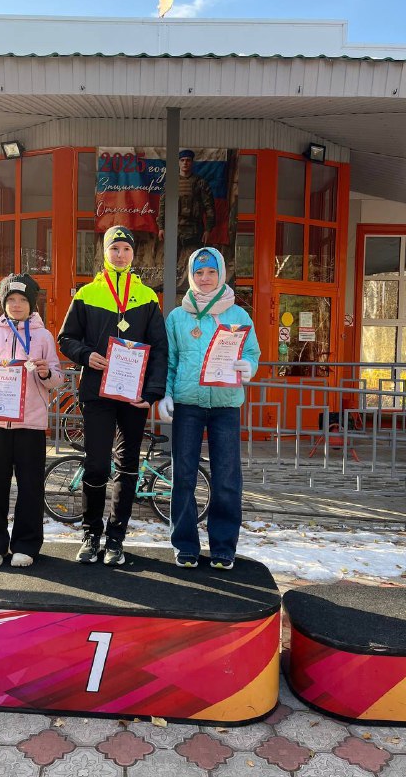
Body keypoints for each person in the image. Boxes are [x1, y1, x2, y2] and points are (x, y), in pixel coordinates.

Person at [58, 225, 168, 566]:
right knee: (95, 464)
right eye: (114, 249)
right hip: (97, 393)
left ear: (133, 254)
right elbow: (66, 339)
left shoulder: (147, 297)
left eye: (126, 249)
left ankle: (116, 538)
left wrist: (152, 393)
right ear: (104, 253)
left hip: (134, 397)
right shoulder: (87, 294)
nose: (120, 255)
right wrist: (86, 355)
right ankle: (91, 535)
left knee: (128, 465)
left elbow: (160, 348)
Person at [158, 247, 260, 569]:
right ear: (190, 276)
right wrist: (165, 395)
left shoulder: (238, 315)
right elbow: (170, 361)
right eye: (199, 272)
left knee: (227, 477)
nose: (205, 278)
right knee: (183, 476)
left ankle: (223, 547)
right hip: (187, 404)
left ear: (221, 274)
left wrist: (249, 366)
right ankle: (185, 545)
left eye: (211, 272)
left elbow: (253, 352)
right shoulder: (177, 317)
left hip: (225, 406)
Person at [0, 273, 64, 569]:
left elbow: (57, 379)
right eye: (11, 299)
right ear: (3, 303)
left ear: (32, 304)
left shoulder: (44, 337)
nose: (17, 305)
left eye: (22, 299)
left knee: (31, 487)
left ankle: (26, 544)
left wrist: (46, 373)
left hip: (30, 424)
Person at [156, 149, 216, 287]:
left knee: (196, 261)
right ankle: (168, 286)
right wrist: (161, 227)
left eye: (188, 160)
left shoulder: (200, 183)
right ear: (178, 163)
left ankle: (194, 286)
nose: (185, 163)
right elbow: (163, 206)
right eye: (182, 160)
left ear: (192, 162)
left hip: (194, 228)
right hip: (174, 227)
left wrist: (208, 229)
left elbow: (209, 207)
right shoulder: (171, 183)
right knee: (170, 260)